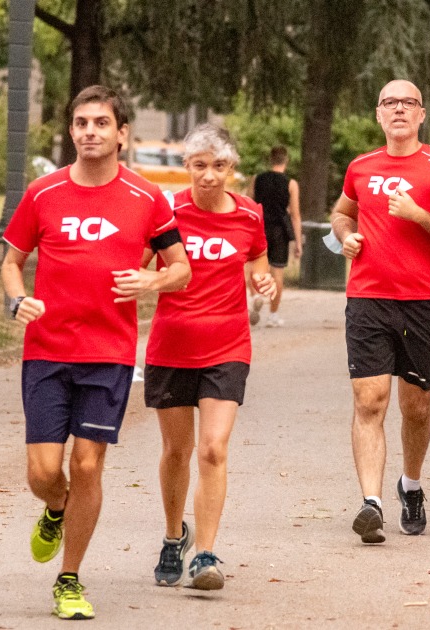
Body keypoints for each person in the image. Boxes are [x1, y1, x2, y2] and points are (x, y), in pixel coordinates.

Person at [0, 85, 191, 620]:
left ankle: (69, 577)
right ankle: (55, 506)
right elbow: (12, 262)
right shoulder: (43, 193)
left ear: (121, 134)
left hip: (108, 353)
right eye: (81, 123)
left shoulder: (147, 198)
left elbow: (182, 269)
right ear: (71, 132)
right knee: (43, 473)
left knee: (87, 465)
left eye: (101, 123)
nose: (90, 132)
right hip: (47, 350)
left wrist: (151, 280)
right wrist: (17, 300)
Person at [330, 79, 430, 544]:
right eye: (389, 103)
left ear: (421, 114)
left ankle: (410, 485)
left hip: (420, 301)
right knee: (369, 401)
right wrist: (346, 234)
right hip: (367, 297)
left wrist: (419, 217)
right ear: (378, 114)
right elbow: (340, 214)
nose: (398, 110)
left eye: (407, 103)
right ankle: (371, 503)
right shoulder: (361, 167)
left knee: (416, 406)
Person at [145, 124, 276, 591]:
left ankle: (205, 554)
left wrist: (263, 281)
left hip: (227, 346)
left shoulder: (249, 215)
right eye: (199, 166)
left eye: (218, 166)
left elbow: (258, 260)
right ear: (187, 167)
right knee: (177, 451)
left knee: (213, 449)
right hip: (171, 345)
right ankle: (173, 534)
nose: (208, 176)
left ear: (231, 169)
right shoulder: (165, 212)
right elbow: (139, 262)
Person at [249, 145, 302, 328]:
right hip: (280, 230)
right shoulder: (290, 184)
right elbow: (295, 214)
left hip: (259, 228)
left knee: (256, 267)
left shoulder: (257, 179)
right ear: (286, 160)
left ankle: (256, 295)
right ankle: (273, 315)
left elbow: (250, 206)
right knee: (277, 272)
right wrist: (297, 241)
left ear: (270, 160)